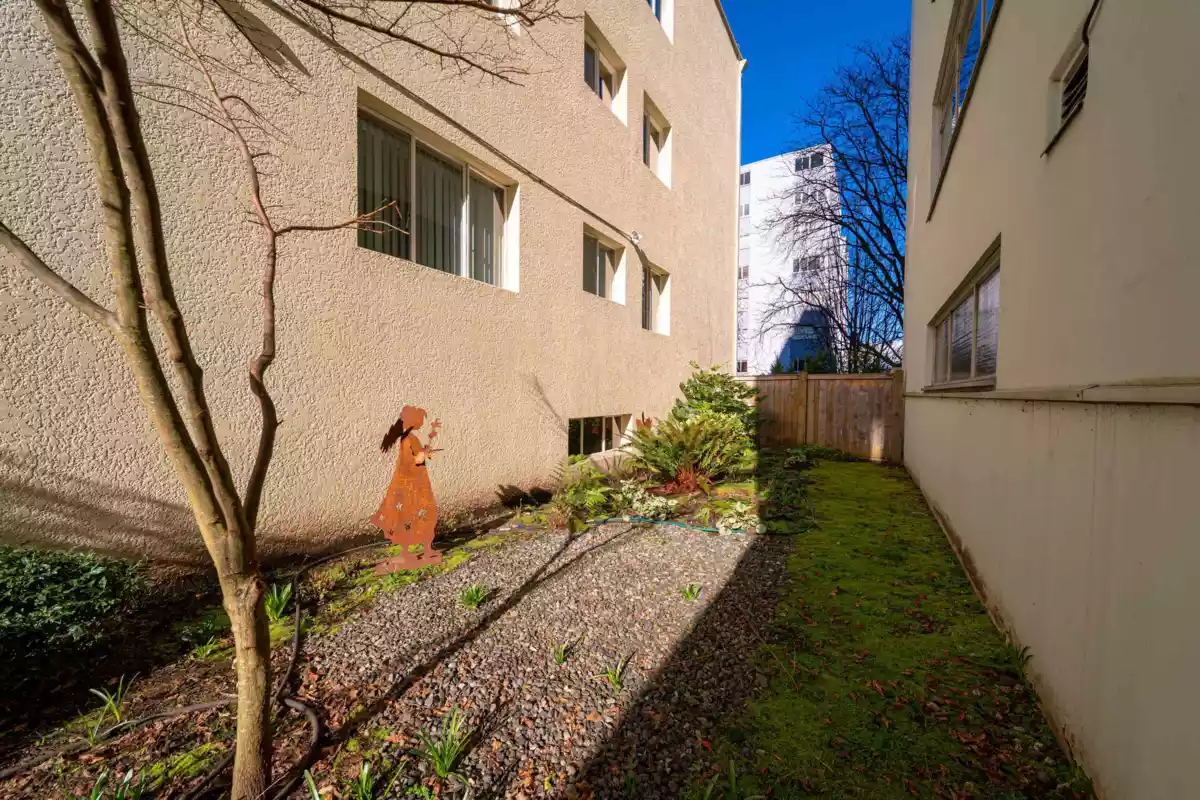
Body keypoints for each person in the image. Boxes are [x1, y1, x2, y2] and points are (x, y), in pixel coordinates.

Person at [371, 405, 442, 568]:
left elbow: (417, 457)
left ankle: (425, 550)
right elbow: (412, 461)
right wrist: (423, 454)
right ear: (414, 421)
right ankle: (416, 552)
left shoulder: (409, 439)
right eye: (420, 421)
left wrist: (424, 453)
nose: (421, 424)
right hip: (411, 486)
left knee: (418, 514)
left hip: (414, 483)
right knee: (412, 515)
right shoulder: (408, 439)